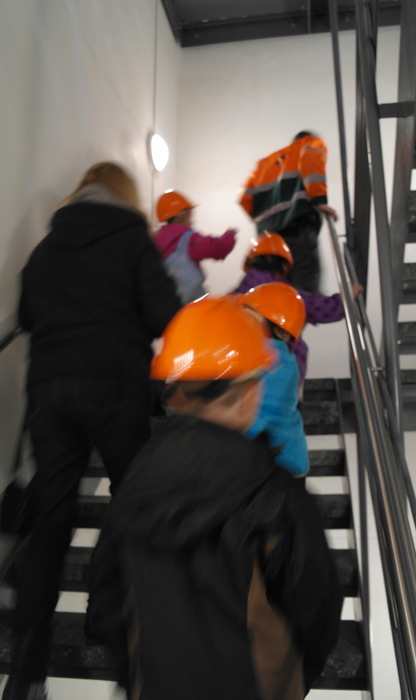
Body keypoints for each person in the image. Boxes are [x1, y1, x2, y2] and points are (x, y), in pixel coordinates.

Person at [86, 296, 342, 700]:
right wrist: (293, 681)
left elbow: (105, 596)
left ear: (175, 396)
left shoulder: (133, 484)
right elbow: (317, 608)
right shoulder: (276, 494)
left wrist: (134, 676)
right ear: (250, 391)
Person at [2, 162, 181, 700]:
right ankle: (133, 666)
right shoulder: (133, 240)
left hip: (50, 391)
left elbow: (28, 314)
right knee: (135, 509)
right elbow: (165, 316)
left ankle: (26, 675)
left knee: (50, 523)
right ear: (125, 196)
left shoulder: (46, 247)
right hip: (115, 384)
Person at [231, 231, 363, 389]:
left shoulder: (236, 294)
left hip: (240, 370)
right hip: (277, 369)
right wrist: (345, 298)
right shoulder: (281, 291)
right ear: (279, 263)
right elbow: (318, 308)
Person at [238, 131, 338, 294]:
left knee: (270, 294)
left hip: (269, 244)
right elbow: (311, 159)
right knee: (303, 293)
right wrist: (319, 199)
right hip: (297, 232)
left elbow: (244, 199)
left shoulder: (263, 164)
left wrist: (266, 221)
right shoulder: (308, 143)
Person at [239, 282, 310, 477]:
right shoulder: (282, 360)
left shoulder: (274, 363)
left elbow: (262, 415)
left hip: (280, 465)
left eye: (246, 315)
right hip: (285, 459)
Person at [153, 189, 237, 303]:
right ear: (182, 215)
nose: (192, 219)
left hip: (166, 304)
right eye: (190, 214)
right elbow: (217, 248)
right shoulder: (189, 239)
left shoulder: (154, 241)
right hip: (191, 304)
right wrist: (229, 235)